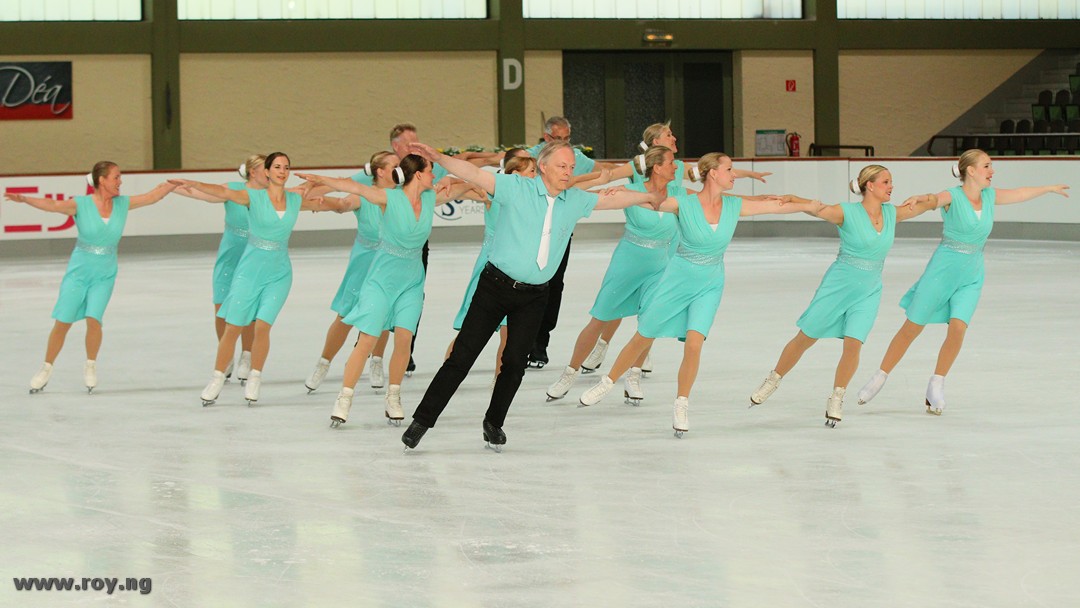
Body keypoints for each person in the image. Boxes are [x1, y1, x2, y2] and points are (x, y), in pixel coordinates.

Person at [400, 140, 667, 451]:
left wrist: (648, 196)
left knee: (515, 364)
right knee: (462, 357)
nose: (568, 172)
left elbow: (612, 199)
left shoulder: (574, 200)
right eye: (562, 166)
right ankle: (422, 421)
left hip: (534, 296)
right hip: (494, 287)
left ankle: (493, 423)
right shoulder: (516, 188)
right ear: (543, 166)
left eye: (571, 167)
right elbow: (472, 173)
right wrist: (438, 156)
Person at [574, 153, 815, 436]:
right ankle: (607, 382)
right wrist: (617, 192)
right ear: (712, 173)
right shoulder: (683, 203)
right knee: (644, 334)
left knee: (694, 343)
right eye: (729, 169)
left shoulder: (734, 205)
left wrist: (809, 205)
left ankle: (681, 403)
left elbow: (773, 206)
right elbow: (647, 200)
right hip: (678, 278)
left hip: (710, 283)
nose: (733, 174)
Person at [855, 150, 1069, 414]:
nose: (992, 171)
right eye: (987, 166)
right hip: (943, 271)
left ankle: (936, 384)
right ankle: (880, 376)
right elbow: (935, 199)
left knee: (958, 328)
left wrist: (1048, 188)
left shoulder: (989, 196)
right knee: (913, 326)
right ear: (971, 170)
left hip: (972, 274)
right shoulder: (953, 196)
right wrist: (922, 198)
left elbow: (1020, 193)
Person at [296, 156, 485, 428]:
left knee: (404, 339)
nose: (433, 175)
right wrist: (320, 179)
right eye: (430, 171)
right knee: (367, 339)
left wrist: (474, 186)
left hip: (411, 282)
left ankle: (393, 396)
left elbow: (466, 187)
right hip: (381, 279)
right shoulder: (389, 198)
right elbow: (354, 187)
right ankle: (344, 397)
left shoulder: (430, 198)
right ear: (418, 175)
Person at [747, 165, 939, 427]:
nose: (891, 186)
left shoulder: (892, 213)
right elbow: (817, 209)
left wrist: (925, 197)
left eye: (891, 182)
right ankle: (773, 379)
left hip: (869, 291)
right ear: (869, 185)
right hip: (838, 286)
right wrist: (793, 198)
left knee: (853, 343)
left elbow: (927, 206)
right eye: (886, 182)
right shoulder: (846, 212)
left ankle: (837, 397)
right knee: (806, 337)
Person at [576, 121, 771, 375]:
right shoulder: (639, 164)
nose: (674, 138)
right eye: (668, 135)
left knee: (653, 302)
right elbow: (609, 177)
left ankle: (642, 351)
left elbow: (711, 172)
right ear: (655, 142)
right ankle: (604, 344)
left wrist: (749, 174)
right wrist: (580, 187)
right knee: (619, 300)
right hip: (638, 243)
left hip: (668, 245)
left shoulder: (678, 167)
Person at [172, 152, 336, 406]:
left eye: (286, 167)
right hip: (249, 271)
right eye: (277, 167)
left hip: (279, 274)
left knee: (262, 326)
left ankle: (255, 377)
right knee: (233, 326)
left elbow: (331, 202)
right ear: (267, 172)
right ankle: (217, 378)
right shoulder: (252, 197)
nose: (282, 171)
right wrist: (195, 183)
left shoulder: (295, 199)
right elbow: (222, 192)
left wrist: (349, 197)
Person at [8, 162, 177, 393]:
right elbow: (53, 205)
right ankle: (46, 367)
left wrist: (172, 185)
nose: (120, 181)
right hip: (79, 273)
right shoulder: (81, 204)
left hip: (105, 274)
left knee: (94, 319)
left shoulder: (122, 204)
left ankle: (90, 365)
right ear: (102, 180)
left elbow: (151, 197)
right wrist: (25, 199)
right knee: (63, 321)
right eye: (116, 177)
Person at [545, 145, 685, 405]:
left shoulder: (679, 193)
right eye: (671, 162)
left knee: (649, 322)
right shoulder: (631, 190)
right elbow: (588, 198)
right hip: (628, 262)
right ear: (657, 167)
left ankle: (633, 376)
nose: (676, 167)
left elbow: (714, 199)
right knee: (600, 318)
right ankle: (570, 373)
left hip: (660, 265)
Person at [522, 116, 621, 369]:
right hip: (531, 231)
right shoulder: (530, 156)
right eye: (558, 138)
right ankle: (521, 343)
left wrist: (633, 169)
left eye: (567, 138)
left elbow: (603, 169)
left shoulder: (573, 156)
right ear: (546, 138)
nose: (564, 143)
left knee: (553, 286)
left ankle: (539, 345)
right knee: (527, 284)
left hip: (561, 232)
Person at [302, 151, 398, 395]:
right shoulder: (363, 194)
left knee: (383, 315)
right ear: (380, 171)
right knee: (345, 315)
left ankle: (376, 360)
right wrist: (322, 203)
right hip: (363, 262)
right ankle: (324, 362)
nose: (400, 169)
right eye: (394, 165)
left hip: (389, 263)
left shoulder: (401, 195)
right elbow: (342, 204)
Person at [444, 149, 536, 388]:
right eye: (531, 170)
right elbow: (467, 181)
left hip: (514, 268)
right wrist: (449, 180)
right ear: (514, 172)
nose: (535, 175)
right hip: (490, 265)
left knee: (509, 333)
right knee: (469, 332)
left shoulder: (533, 196)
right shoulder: (492, 191)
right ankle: (447, 377)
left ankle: (499, 383)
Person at [173, 154, 268, 384]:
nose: (269, 173)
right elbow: (204, 194)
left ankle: (247, 355)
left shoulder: (271, 195)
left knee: (250, 309)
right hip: (229, 258)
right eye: (265, 168)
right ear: (252, 171)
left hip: (254, 257)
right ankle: (226, 355)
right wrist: (171, 188)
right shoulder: (232, 189)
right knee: (221, 307)